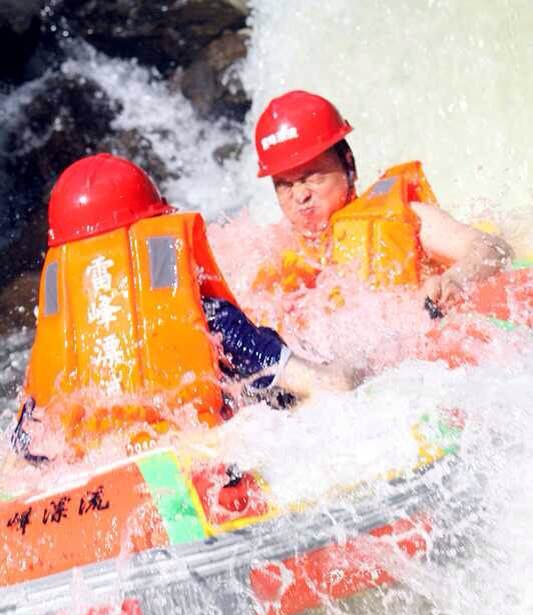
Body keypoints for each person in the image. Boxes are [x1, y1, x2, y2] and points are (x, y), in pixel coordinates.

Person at [13, 154, 351, 462]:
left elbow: (21, 463)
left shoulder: (53, 355)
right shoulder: (207, 318)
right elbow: (331, 388)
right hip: (206, 479)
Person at [253, 90, 512, 308]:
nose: (300, 195)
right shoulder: (276, 251)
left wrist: (455, 280)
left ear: (349, 165)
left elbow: (492, 249)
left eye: (312, 176)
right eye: (284, 184)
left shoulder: (404, 216)